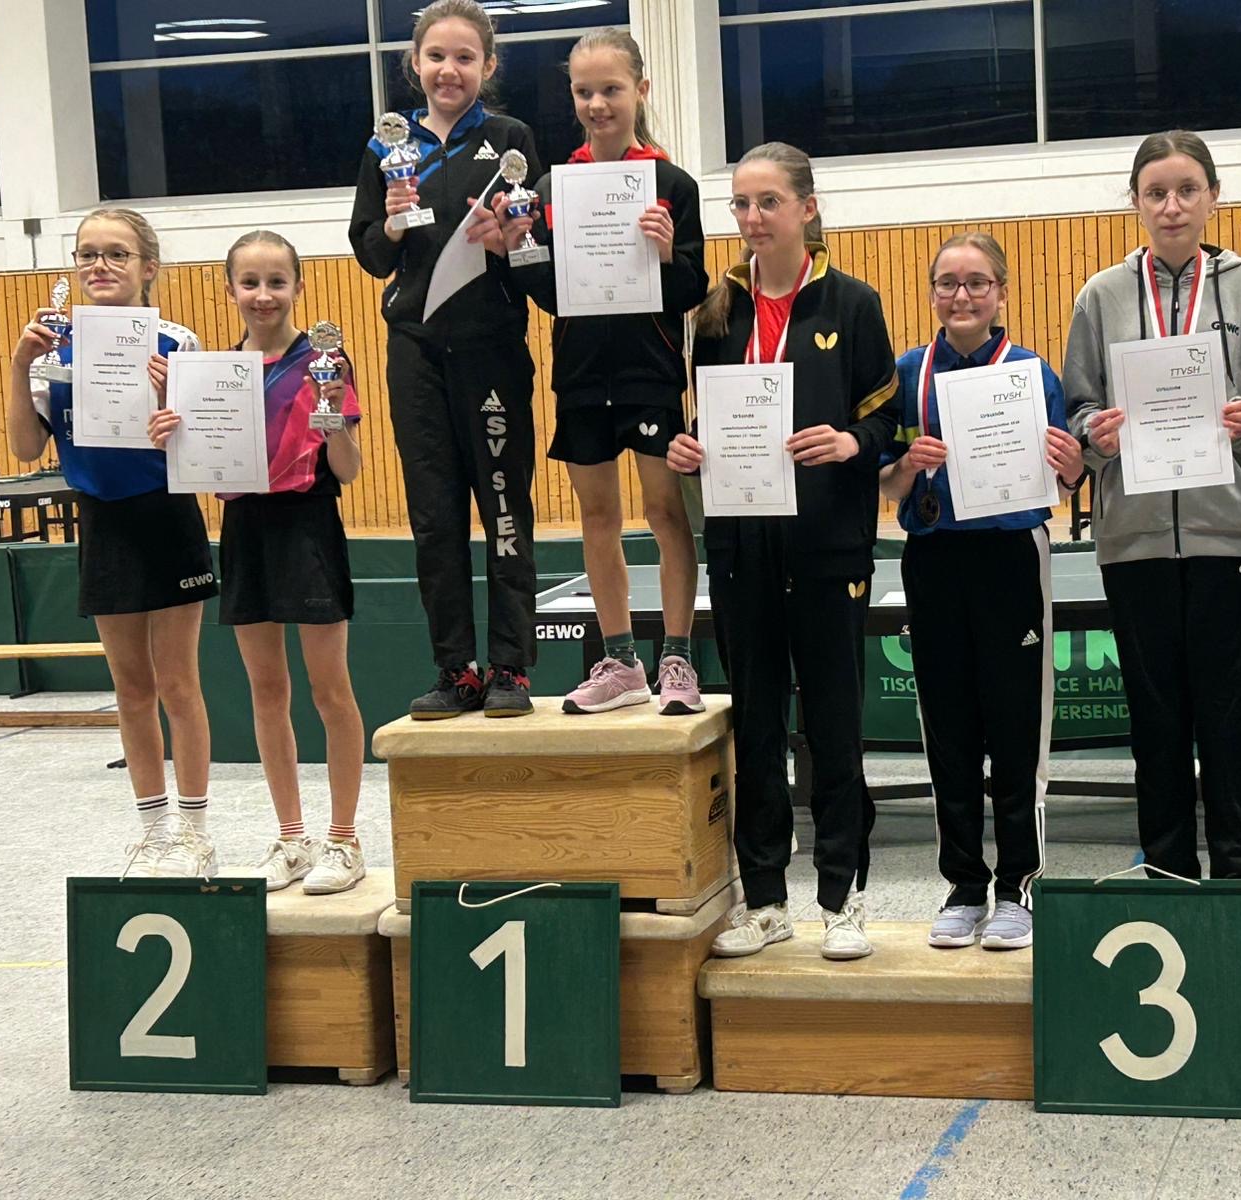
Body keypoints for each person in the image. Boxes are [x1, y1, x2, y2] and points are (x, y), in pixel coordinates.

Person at [667, 143, 898, 961]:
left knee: (834, 728)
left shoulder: (853, 303)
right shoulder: (715, 312)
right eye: (741, 203)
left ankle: (843, 898)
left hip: (828, 545)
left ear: (807, 207)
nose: (753, 218)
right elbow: (710, 422)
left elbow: (887, 420)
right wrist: (688, 448)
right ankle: (764, 900)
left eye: (768, 202)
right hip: (742, 549)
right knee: (756, 729)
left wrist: (851, 441)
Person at [1063, 130, 1241, 884]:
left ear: (1213, 196)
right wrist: (1096, 434)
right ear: (1135, 202)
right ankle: (1167, 876)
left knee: (1232, 722)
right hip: (1136, 539)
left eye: (1187, 189)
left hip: (1232, 534)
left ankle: (1236, 883)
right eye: (1156, 192)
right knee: (1156, 724)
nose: (1172, 206)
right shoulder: (1100, 295)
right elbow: (1077, 411)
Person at [879, 232, 1083, 951]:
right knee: (949, 726)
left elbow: (1065, 482)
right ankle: (964, 885)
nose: (961, 296)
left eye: (976, 283)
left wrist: (1073, 463)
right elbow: (885, 484)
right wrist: (908, 464)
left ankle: (1017, 885)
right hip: (933, 557)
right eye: (947, 283)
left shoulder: (1031, 373)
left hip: (1010, 558)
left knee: (1017, 724)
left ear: (1000, 292)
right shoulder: (906, 373)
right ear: (933, 292)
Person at [148, 231, 369, 895]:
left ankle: (344, 840)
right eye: (250, 282)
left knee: (330, 691)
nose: (264, 295)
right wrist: (167, 430)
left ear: (299, 286)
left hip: (309, 526)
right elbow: (194, 464)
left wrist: (333, 418)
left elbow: (349, 471)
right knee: (267, 691)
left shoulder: (324, 362)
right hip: (245, 530)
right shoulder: (212, 375)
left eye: (277, 281)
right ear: (230, 290)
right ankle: (292, 838)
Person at [496, 29, 709, 716]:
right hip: (582, 375)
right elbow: (551, 294)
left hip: (650, 374)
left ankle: (677, 657)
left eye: (611, 89)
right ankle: (621, 661)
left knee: (665, 513)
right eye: (583, 91)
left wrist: (669, 253)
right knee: (597, 517)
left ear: (640, 90)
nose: (597, 104)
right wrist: (520, 249)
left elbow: (693, 289)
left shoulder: (672, 185)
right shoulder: (551, 188)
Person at [6, 208, 216, 876]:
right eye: (87, 253)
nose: (100, 265)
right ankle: (153, 833)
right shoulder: (51, 350)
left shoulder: (176, 341)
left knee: (178, 683)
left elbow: (206, 444)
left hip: (167, 515)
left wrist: (174, 412)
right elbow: (25, 447)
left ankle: (195, 832)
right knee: (131, 687)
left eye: (117, 254)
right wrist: (19, 364)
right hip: (102, 521)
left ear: (147, 267)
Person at [348, 0, 543, 719]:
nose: (449, 70)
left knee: (504, 505)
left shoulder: (511, 140)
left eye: (465, 57)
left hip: (492, 348)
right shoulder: (385, 147)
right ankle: (455, 669)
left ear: (487, 65)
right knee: (433, 516)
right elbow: (370, 253)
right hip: (417, 352)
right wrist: (395, 223)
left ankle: (510, 668)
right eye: (436, 56)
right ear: (415, 63)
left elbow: (537, 248)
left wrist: (512, 242)